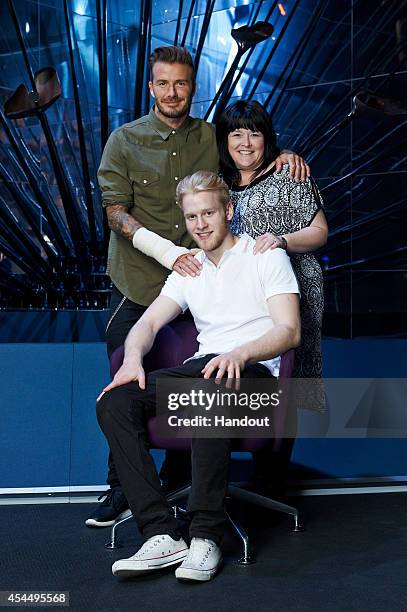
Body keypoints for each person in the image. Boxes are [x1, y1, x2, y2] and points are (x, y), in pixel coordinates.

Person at [89, 45, 308, 528]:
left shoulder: (213, 143)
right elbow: (114, 212)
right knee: (124, 384)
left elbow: (246, 153)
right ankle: (133, 500)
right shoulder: (124, 140)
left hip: (221, 313)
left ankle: (199, 521)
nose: (172, 92)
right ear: (151, 87)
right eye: (163, 83)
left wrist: (284, 155)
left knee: (208, 386)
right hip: (147, 278)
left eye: (181, 83)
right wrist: (172, 255)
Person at [96, 171, 300, 582]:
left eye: (208, 213)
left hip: (255, 371)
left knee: (212, 388)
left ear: (228, 210)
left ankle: (206, 534)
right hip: (204, 367)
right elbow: (148, 325)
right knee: (115, 402)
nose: (201, 224)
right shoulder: (190, 269)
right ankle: (161, 533)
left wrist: (240, 353)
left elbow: (289, 330)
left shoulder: (265, 255)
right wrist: (132, 359)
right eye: (192, 217)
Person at [217, 100, 328, 493]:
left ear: (267, 138)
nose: (246, 142)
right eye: (236, 133)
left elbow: (319, 231)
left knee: (288, 376)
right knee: (249, 372)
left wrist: (282, 241)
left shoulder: (288, 173)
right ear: (224, 139)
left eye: (255, 132)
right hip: (242, 296)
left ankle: (271, 478)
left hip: (293, 287)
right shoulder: (220, 183)